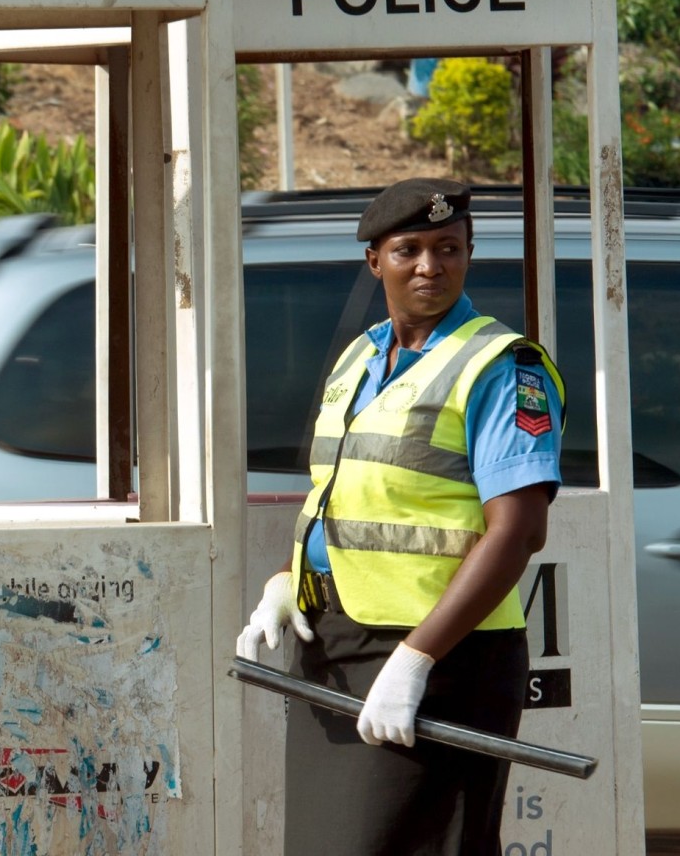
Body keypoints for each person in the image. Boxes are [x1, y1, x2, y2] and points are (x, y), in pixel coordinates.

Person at [237, 178, 565, 856]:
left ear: (469, 253)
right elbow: (349, 496)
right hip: (337, 645)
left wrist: (418, 659)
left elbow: (519, 531)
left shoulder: (503, 367)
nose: (429, 266)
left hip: (442, 656)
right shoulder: (362, 356)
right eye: (408, 249)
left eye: (447, 248)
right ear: (374, 261)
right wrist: (287, 581)